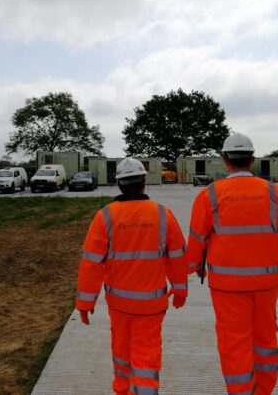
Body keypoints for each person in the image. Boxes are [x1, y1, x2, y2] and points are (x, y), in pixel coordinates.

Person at [187, 133, 278, 395]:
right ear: (252, 160)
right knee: (264, 340)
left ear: (224, 160)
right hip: (266, 284)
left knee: (234, 344)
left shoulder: (210, 195)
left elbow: (197, 238)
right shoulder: (274, 193)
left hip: (227, 287)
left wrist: (192, 266)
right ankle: (263, 390)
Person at [76, 157, 188, 395]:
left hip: (119, 305)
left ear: (119, 184)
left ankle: (123, 391)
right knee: (146, 358)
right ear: (143, 182)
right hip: (151, 305)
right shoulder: (162, 214)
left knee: (122, 355)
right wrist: (180, 290)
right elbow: (177, 257)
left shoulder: (105, 216)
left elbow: (91, 264)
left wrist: (85, 303)